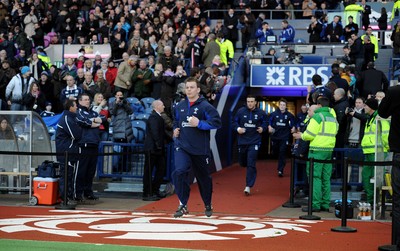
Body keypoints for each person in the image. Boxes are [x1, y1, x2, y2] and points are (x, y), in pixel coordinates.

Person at [172, 77, 222, 218]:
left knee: (203, 178)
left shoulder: (205, 106)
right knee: (180, 171)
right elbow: (176, 122)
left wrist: (199, 123)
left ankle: (207, 203)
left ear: (198, 89)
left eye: (192, 87)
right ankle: (183, 203)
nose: (189, 90)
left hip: (200, 149)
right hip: (182, 146)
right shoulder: (180, 106)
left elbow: (217, 123)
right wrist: (175, 130)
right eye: (187, 87)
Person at [293, 96, 338, 212]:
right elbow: (336, 131)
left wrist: (300, 136)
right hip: (329, 150)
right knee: (326, 178)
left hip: (317, 151)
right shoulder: (332, 117)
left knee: (315, 178)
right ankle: (325, 204)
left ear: (319, 105)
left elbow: (309, 135)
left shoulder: (317, 117)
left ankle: (315, 204)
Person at [378, 84, 400, 251]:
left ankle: (398, 243)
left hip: (399, 150)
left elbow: (382, 112)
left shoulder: (394, 91)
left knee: (398, 199)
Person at [233, 95, 267, 196]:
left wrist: (262, 128)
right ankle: (244, 165)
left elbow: (266, 122)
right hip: (242, 142)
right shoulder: (240, 111)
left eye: (252, 101)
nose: (250, 103)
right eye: (248, 101)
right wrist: (238, 129)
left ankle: (248, 186)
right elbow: (233, 122)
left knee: (251, 163)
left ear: (255, 102)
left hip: (254, 142)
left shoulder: (261, 113)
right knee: (243, 163)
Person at [75, 93, 106, 202]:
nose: (87, 101)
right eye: (85, 99)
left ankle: (88, 192)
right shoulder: (78, 111)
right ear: (80, 101)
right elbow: (84, 121)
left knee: (91, 171)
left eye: (88, 99)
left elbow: (103, 118)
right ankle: (78, 193)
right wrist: (94, 120)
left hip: (94, 143)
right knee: (82, 170)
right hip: (84, 144)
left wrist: (93, 121)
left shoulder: (92, 111)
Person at [55, 100, 82, 204]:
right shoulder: (66, 118)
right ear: (70, 107)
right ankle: (65, 198)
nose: (77, 108)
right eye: (75, 106)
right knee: (66, 175)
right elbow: (77, 135)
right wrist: (79, 129)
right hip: (65, 152)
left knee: (69, 175)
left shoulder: (71, 118)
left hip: (70, 151)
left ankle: (68, 197)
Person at [143, 100, 168, 201]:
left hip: (158, 149)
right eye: (162, 105)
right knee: (148, 171)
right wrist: (158, 144)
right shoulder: (153, 117)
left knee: (161, 169)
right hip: (152, 149)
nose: (164, 107)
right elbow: (155, 132)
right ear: (157, 106)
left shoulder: (158, 117)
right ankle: (147, 193)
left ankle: (155, 190)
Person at [360, 98, 381, 204]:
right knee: (366, 177)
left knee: (375, 179)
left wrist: (384, 150)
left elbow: (385, 134)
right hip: (368, 152)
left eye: (365, 106)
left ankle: (376, 202)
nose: (364, 108)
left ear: (371, 107)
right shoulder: (370, 118)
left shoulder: (379, 118)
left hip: (376, 152)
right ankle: (370, 202)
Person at [268, 98, 295, 177]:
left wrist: (293, 127)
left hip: (284, 137)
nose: (282, 106)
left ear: (286, 106)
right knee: (275, 151)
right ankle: (275, 154)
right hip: (275, 137)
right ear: (278, 105)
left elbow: (293, 123)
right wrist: (269, 127)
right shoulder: (273, 114)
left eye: (284, 105)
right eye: (281, 105)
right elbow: (269, 122)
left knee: (282, 152)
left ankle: (280, 170)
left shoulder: (289, 115)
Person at [110, 91, 134, 173]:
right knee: (117, 152)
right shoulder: (112, 103)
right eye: (118, 95)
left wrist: (123, 103)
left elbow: (130, 111)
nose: (120, 97)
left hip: (126, 130)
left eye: (121, 95)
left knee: (126, 151)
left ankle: (125, 168)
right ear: (115, 96)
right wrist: (117, 103)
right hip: (118, 129)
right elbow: (112, 112)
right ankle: (117, 169)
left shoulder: (126, 102)